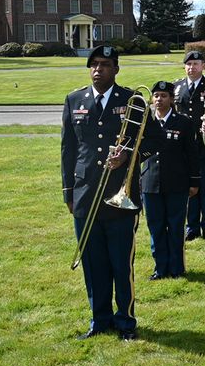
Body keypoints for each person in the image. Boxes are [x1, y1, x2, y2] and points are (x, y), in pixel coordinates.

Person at [61, 45, 158, 341]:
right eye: (93, 64)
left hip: (121, 193)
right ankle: (99, 320)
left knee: (120, 263)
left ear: (116, 69)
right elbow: (68, 149)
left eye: (105, 64)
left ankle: (126, 321)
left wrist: (128, 156)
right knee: (93, 263)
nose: (98, 69)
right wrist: (68, 191)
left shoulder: (133, 100)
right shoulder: (74, 99)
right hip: (85, 193)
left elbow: (155, 141)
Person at [141, 80, 201, 281]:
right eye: (156, 96)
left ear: (172, 99)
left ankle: (176, 267)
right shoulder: (145, 121)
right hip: (150, 182)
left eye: (163, 96)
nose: (159, 100)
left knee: (175, 227)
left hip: (177, 182)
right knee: (155, 226)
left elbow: (192, 154)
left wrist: (194, 181)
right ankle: (160, 267)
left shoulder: (184, 122)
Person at [175, 51, 205, 242]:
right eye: (188, 64)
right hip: (185, 149)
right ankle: (192, 227)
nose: (191, 67)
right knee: (189, 190)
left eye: (196, 64)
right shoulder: (177, 87)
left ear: (203, 66)